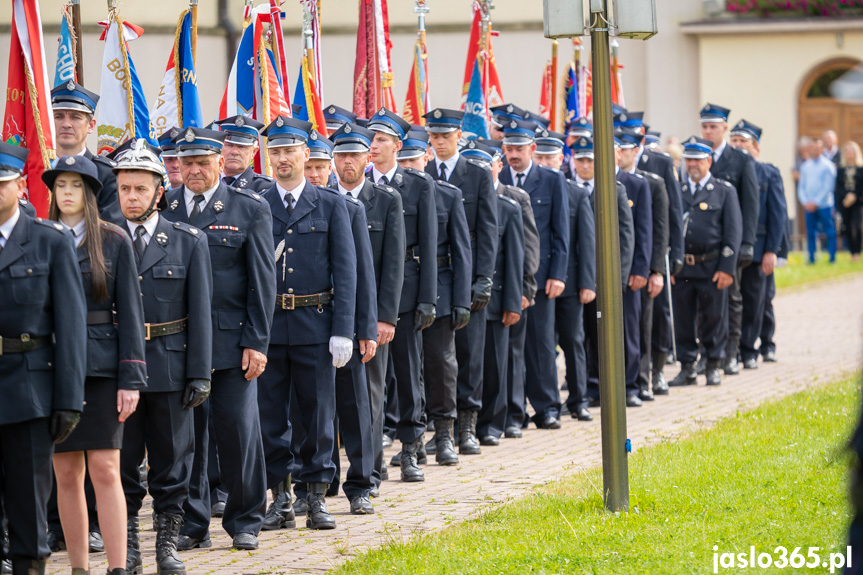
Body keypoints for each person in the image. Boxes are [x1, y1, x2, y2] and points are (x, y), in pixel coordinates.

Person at [162, 127, 275, 551]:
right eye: (186, 162)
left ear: (219, 162)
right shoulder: (167, 207)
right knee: (186, 438)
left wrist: (257, 342)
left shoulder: (249, 209)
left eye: (202, 162)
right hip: (181, 342)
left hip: (232, 343)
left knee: (237, 431)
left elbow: (262, 283)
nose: (193, 170)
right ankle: (193, 523)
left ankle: (245, 518)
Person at [112, 140, 213, 575]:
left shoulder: (188, 241)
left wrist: (200, 373)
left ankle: (166, 545)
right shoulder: (106, 240)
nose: (130, 197)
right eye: (123, 189)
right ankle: (129, 544)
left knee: (173, 463)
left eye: (139, 189)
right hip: (118, 371)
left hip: (171, 365)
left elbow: (202, 313)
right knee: (122, 461)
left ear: (158, 192)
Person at [44, 154, 147, 575]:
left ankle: (118, 567)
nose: (66, 193)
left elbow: (132, 315)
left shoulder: (114, 240)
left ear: (89, 193)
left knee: (106, 468)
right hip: (53, 368)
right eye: (59, 186)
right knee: (66, 472)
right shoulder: (40, 238)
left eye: (74, 185)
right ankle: (79, 568)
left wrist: (131, 379)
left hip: (103, 369)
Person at [256, 115, 357, 530]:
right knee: (269, 417)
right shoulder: (258, 203)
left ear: (306, 154)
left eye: (289, 151)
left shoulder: (331, 204)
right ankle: (280, 498)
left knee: (317, 414)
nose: (282, 159)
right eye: (275, 151)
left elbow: (346, 270)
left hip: (316, 324)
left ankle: (315, 497)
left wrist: (343, 329)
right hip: (269, 326)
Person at [0, 142, 87, 575]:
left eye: (1, 184)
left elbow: (70, 327)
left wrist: (69, 399)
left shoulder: (49, 242)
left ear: (20, 185)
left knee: (27, 500)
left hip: (28, 389)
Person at [294, 127, 379, 515]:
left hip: (343, 324)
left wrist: (365, 329)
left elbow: (359, 275)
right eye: (307, 166)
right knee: (309, 410)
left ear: (330, 167)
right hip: (309, 327)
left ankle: (360, 483)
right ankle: (313, 483)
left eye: (318, 167)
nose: (313, 174)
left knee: (353, 405)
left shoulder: (348, 208)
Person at [330, 122, 405, 495]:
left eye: (354, 155)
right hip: (330, 315)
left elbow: (392, 263)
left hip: (371, 315)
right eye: (340, 155)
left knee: (370, 396)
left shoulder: (386, 200)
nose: (347, 162)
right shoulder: (323, 197)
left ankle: (370, 471)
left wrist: (385, 317)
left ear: (367, 157)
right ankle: (326, 475)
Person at [366, 108, 437, 482]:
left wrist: (427, 298)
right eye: (371, 139)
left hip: (406, 293)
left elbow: (428, 243)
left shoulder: (419, 185)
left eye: (380, 140)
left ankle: (411, 448)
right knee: (372, 378)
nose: (373, 146)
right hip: (367, 292)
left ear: (398, 145)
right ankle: (373, 449)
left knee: (409, 374)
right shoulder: (359, 185)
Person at [423, 108, 497, 454]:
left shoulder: (477, 176)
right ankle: (441, 428)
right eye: (434, 136)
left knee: (469, 352)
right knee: (438, 358)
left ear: (459, 137)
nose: (439, 142)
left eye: (445, 136)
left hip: (466, 278)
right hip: (435, 277)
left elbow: (487, 230)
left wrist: (483, 278)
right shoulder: (422, 172)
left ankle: (468, 424)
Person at [399, 129, 471, 462]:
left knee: (441, 363)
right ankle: (410, 440)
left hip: (439, 288)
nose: (408, 166)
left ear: (426, 158)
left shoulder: (446, 195)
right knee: (407, 368)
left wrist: (461, 300)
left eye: (413, 160)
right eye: (404, 161)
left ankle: (444, 434)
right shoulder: (391, 193)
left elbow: (461, 251)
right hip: (402, 290)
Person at [462, 140, 539, 436]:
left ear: (497, 166)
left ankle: (494, 422)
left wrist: (518, 295)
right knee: (467, 364)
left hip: (496, 295)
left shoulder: (509, 204)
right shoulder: (459, 199)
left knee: (496, 363)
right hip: (463, 295)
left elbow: (520, 254)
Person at [498, 119, 569, 429]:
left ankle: (547, 407)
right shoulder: (495, 177)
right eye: (509, 148)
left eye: (519, 149)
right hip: (508, 281)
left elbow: (560, 231)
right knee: (512, 348)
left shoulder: (552, 180)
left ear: (533, 149)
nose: (514, 154)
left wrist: (558, 274)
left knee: (541, 346)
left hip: (541, 280)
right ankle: (514, 413)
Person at [529, 132, 596, 421]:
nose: (545, 162)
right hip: (539, 281)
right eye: (540, 157)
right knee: (542, 343)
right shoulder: (531, 188)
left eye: (550, 158)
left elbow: (586, 241)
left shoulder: (576, 193)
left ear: (561, 159)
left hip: (569, 281)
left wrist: (587, 282)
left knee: (572, 340)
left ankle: (579, 399)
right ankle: (547, 403)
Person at [669, 137, 742, 387]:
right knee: (683, 319)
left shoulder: (724, 191)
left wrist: (727, 269)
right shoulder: (676, 191)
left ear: (709, 161)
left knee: (713, 317)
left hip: (711, 267)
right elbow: (668, 229)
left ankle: (713, 364)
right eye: (689, 159)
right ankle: (687, 366)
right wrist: (668, 265)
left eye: (698, 160)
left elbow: (733, 233)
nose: (692, 164)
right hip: (682, 268)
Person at [570, 137, 635, 409]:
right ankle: (584, 389)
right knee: (579, 336)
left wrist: (618, 279)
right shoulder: (569, 188)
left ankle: (609, 388)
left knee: (605, 337)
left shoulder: (613, 190)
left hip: (604, 278)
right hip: (576, 277)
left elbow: (625, 237)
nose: (585, 165)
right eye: (581, 160)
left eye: (590, 160)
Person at [699, 103, 759, 376]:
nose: (708, 131)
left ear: (725, 128)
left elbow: (750, 204)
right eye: (705, 126)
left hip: (729, 242)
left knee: (731, 297)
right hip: (703, 244)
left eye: (713, 126)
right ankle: (706, 353)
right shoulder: (696, 155)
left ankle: (731, 352)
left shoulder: (741, 159)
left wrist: (746, 243)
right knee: (703, 301)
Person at [728, 120, 787, 371]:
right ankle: (738, 346)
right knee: (735, 299)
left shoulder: (768, 173)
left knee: (758, 299)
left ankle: (754, 347)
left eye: (744, 142)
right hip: (731, 246)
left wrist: (772, 250)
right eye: (736, 141)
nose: (739, 146)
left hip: (759, 247)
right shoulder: (727, 169)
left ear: (756, 148)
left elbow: (778, 214)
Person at [618, 128, 669, 401]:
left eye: (626, 148)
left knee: (641, 324)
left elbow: (657, 229)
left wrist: (654, 269)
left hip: (640, 267)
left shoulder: (649, 182)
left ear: (636, 149)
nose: (622, 153)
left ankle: (642, 380)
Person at [52, 81, 118, 214]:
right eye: (58, 116)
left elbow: (111, 229)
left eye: (75, 117)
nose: (66, 124)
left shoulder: (107, 174)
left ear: (91, 126)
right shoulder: (35, 169)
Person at [797, 138, 837, 264]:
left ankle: (831, 257)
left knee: (829, 231)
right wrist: (805, 202)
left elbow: (828, 187)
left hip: (824, 205)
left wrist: (816, 202)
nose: (815, 150)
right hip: (808, 205)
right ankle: (811, 258)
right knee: (811, 233)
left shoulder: (828, 165)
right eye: (813, 148)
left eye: (818, 148)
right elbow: (801, 186)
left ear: (821, 149)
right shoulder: (805, 166)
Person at [215, 115, 274, 194]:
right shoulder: (206, 181)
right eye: (229, 145)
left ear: (254, 152)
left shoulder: (266, 187)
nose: (234, 152)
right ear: (219, 148)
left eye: (241, 147)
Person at [836, 141, 863, 261]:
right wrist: (846, 197)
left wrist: (854, 196)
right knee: (846, 227)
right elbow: (839, 186)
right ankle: (852, 252)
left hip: (858, 202)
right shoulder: (841, 169)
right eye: (846, 151)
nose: (848, 153)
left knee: (857, 227)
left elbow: (861, 185)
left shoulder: (861, 168)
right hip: (845, 202)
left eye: (851, 151)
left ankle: (857, 251)